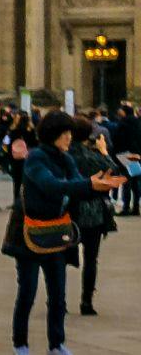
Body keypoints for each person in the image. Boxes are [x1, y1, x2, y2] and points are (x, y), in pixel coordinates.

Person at [9, 109, 123, 355]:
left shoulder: (67, 158)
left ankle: (57, 344)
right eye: (65, 132)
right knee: (27, 293)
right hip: (30, 233)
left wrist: (99, 187)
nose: (69, 137)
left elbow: (78, 186)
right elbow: (52, 186)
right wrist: (89, 184)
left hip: (57, 232)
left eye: (70, 132)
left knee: (58, 296)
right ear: (53, 134)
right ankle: (21, 345)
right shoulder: (36, 158)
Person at [70, 122, 120, 317]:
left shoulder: (65, 156)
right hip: (92, 211)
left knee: (57, 258)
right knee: (91, 259)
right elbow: (113, 171)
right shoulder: (92, 156)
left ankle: (57, 299)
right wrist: (104, 151)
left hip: (68, 210)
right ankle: (86, 301)